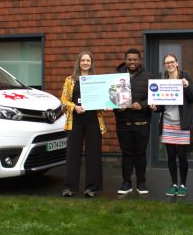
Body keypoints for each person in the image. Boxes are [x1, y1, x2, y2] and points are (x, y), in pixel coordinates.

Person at [60, 51, 107, 198]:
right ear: (78, 63)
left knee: (94, 154)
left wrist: (107, 105)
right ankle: (69, 187)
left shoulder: (98, 80)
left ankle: (91, 188)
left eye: (88, 60)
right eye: (83, 60)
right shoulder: (70, 80)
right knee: (72, 154)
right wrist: (74, 107)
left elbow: (104, 99)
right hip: (75, 120)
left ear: (91, 63)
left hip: (93, 120)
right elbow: (63, 101)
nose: (85, 63)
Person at [155, 54, 193, 197]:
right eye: (167, 63)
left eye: (172, 62)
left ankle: (183, 185)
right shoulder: (163, 82)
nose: (170, 64)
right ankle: (173, 184)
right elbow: (161, 105)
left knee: (182, 156)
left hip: (181, 123)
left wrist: (187, 86)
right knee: (171, 156)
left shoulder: (185, 77)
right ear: (164, 65)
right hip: (167, 123)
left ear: (177, 63)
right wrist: (155, 107)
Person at [114, 48, 154, 195]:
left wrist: (142, 105)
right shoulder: (116, 78)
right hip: (123, 123)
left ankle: (141, 182)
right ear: (125, 60)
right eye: (129, 59)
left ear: (139, 61)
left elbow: (154, 97)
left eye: (135, 60)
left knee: (141, 154)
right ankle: (126, 182)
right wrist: (118, 108)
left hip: (142, 123)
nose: (132, 62)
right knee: (126, 154)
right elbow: (111, 98)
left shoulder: (148, 77)